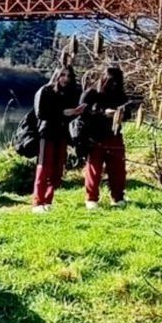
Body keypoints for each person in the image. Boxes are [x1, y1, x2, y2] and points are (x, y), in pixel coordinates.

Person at [32, 66, 85, 213]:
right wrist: (63, 112)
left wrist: (75, 112)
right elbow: (40, 113)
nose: (66, 79)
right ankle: (38, 203)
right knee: (44, 168)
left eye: (69, 76)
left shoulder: (71, 92)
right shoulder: (45, 91)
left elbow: (69, 114)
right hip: (47, 133)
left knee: (57, 171)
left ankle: (48, 201)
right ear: (57, 75)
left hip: (62, 134)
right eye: (63, 75)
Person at [79, 66, 130, 209]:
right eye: (112, 81)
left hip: (114, 136)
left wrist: (119, 115)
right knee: (94, 169)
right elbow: (81, 113)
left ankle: (118, 197)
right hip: (95, 137)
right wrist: (102, 113)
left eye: (117, 82)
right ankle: (91, 199)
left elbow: (128, 114)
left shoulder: (120, 95)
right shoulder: (91, 93)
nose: (114, 85)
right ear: (105, 79)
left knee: (118, 169)